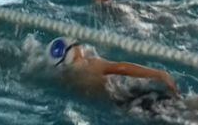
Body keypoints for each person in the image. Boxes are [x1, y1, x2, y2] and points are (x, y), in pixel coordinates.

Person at [47, 38, 179, 96]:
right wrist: (159, 74)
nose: (80, 45)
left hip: (121, 107)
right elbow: (122, 68)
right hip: (132, 98)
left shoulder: (65, 78)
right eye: (76, 44)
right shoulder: (91, 65)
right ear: (72, 54)